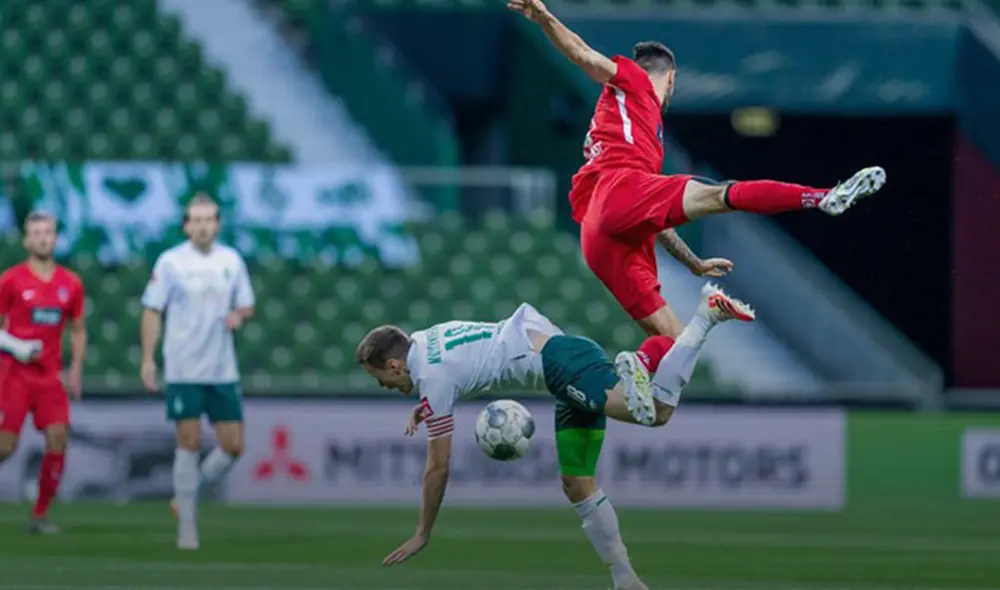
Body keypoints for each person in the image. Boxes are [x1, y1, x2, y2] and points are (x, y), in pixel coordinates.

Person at [507, 0, 886, 339]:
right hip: (618, 193)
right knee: (723, 193)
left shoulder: (637, 131)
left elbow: (650, 215)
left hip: (601, 236)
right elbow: (582, 54)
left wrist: (694, 264)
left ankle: (631, 374)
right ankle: (823, 197)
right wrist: (544, 17)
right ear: (670, 77)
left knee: (673, 346)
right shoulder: (634, 81)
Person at [355, 283, 754, 590]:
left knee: (657, 413)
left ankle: (696, 323)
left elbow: (437, 469)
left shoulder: (432, 377)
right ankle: (626, 580)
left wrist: (423, 531)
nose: (384, 386)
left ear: (393, 364)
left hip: (562, 364)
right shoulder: (422, 341)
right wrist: (423, 406)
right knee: (576, 483)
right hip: (559, 361)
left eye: (381, 379)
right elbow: (452, 370)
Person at [139, 194, 255, 550]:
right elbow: (151, 309)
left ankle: (187, 495)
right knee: (188, 443)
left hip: (222, 369)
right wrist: (148, 359)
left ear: (217, 224)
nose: (203, 226)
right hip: (183, 367)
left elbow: (247, 302)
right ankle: (187, 528)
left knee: (233, 447)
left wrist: (239, 315)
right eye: (196, 220)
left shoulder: (231, 260)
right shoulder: (171, 262)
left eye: (209, 220)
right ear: (186, 225)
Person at [0, 212, 87, 534]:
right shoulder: (11, 280)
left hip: (50, 377)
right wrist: (17, 347)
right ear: (26, 240)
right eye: (36, 232)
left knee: (58, 437)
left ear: (56, 238)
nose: (43, 238)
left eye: (48, 232)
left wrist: (75, 367)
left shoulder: (70, 283)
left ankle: (39, 515)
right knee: (5, 447)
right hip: (14, 375)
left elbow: (78, 329)